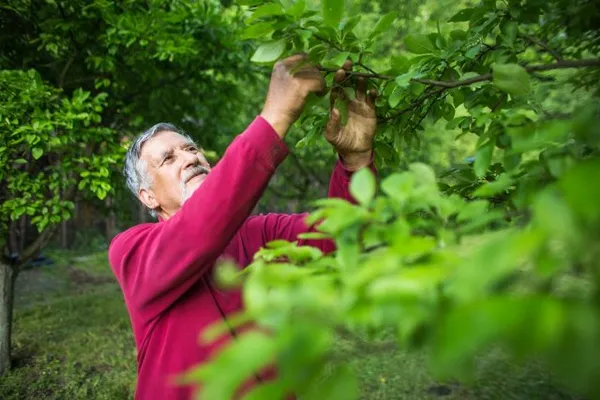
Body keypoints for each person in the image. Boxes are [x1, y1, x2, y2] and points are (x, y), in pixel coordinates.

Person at [108, 54, 378, 399]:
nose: (191, 157)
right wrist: (275, 117)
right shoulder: (132, 250)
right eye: (168, 158)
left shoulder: (260, 233)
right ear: (148, 197)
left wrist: (356, 163)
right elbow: (198, 232)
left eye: (191, 148)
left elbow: (340, 238)